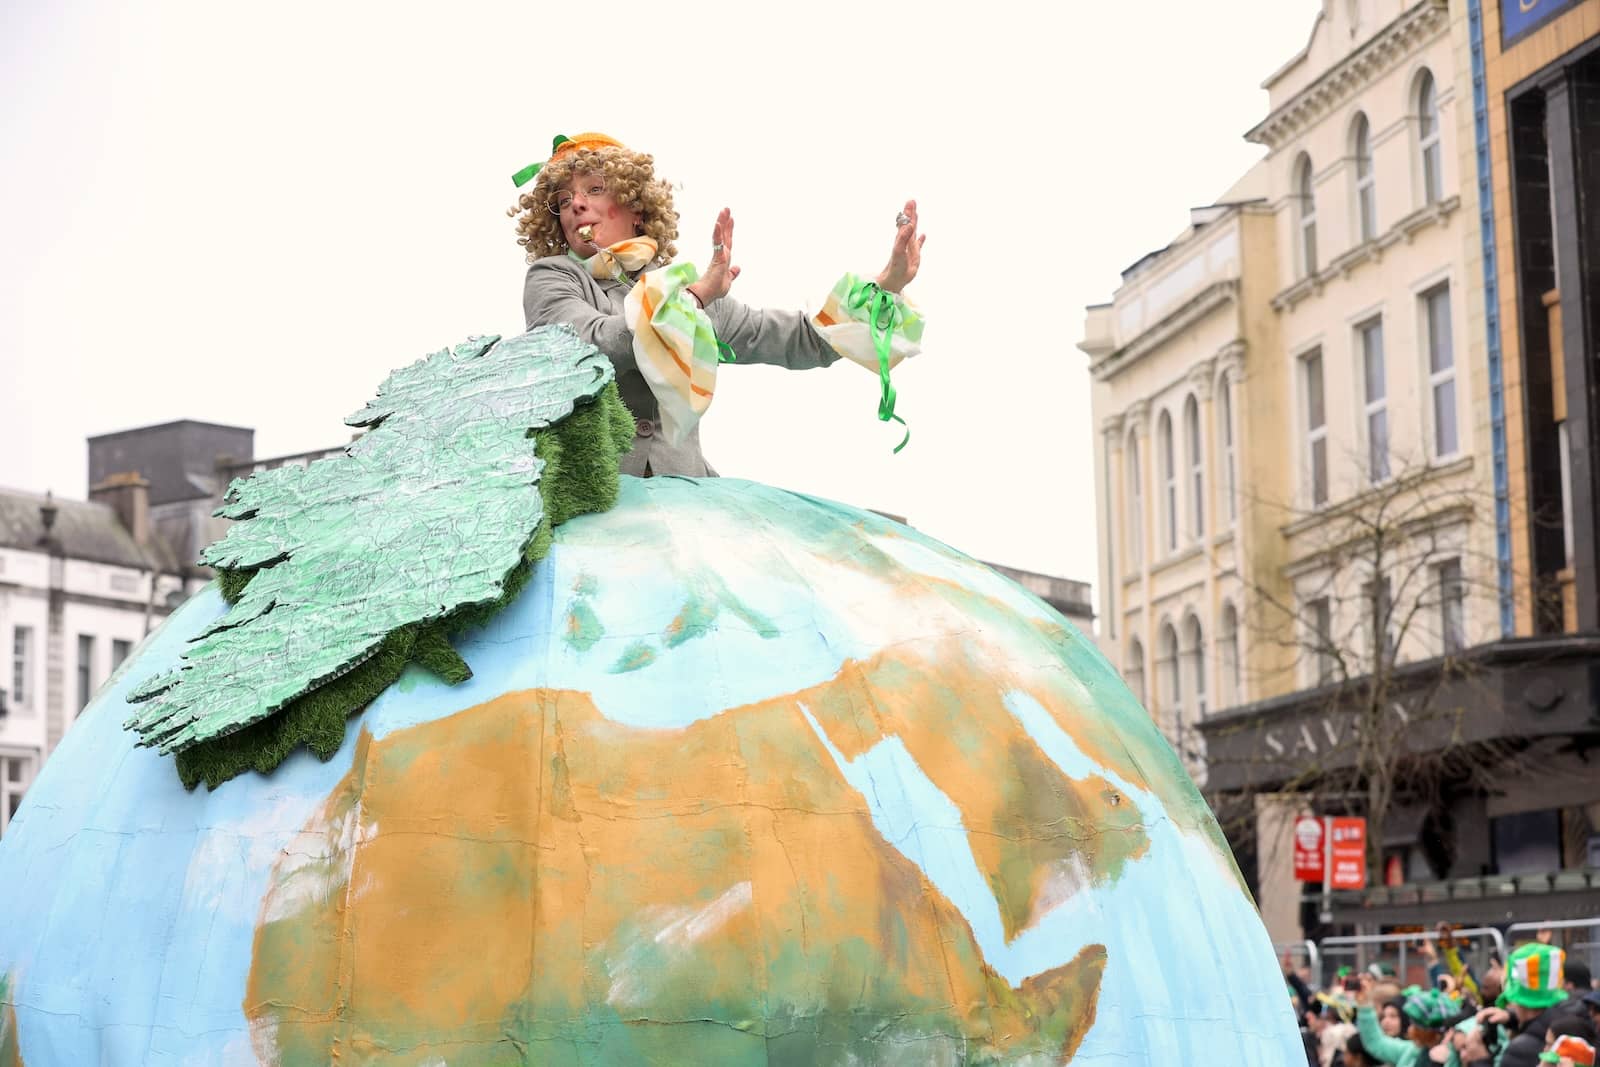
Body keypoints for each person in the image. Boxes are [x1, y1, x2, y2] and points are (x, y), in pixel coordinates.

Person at [509, 132, 927, 477]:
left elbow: (800, 340)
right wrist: (692, 300)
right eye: (564, 201)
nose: (576, 204)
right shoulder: (554, 277)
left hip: (684, 505)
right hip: (593, 508)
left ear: (636, 208)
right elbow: (585, 349)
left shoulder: (681, 286)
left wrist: (884, 286)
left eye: (594, 190)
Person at [1485, 943, 1587, 1067]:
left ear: (1518, 1002)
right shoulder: (1579, 1022)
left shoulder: (1519, 1050)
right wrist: (1511, 1018)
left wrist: (1480, 1059)